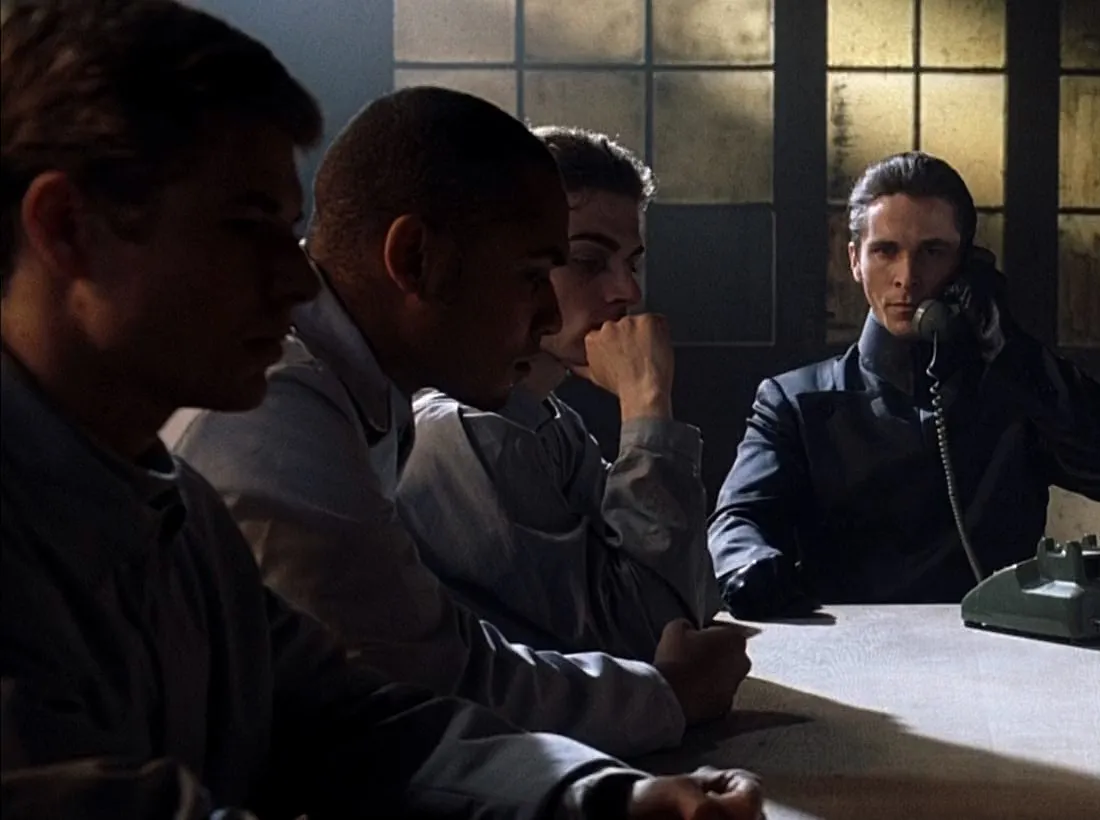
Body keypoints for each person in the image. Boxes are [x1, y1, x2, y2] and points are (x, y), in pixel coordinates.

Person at [0, 2, 761, 817]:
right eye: (248, 226)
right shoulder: (262, 422)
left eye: (288, 227)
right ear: (68, 229)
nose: (295, 278)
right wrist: (653, 710)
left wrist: (611, 800)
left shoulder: (178, 509)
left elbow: (355, 717)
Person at [164, 87, 745, 759]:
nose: (550, 315)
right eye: (532, 274)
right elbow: (420, 684)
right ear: (415, 259)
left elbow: (449, 650)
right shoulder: (272, 404)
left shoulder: (361, 394)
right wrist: (665, 696)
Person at [709, 151, 1100, 618]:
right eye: (886, 251)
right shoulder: (794, 401)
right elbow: (739, 517)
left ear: (967, 264)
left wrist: (1013, 352)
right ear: (855, 260)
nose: (907, 277)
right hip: (849, 648)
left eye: (933, 252)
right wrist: (751, 564)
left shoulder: (1017, 390)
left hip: (1001, 647)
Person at [398, 126, 724, 662]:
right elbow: (649, 640)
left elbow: (694, 599)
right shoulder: (460, 433)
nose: (628, 291)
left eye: (632, 263)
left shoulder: (552, 422)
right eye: (588, 261)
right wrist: (647, 405)